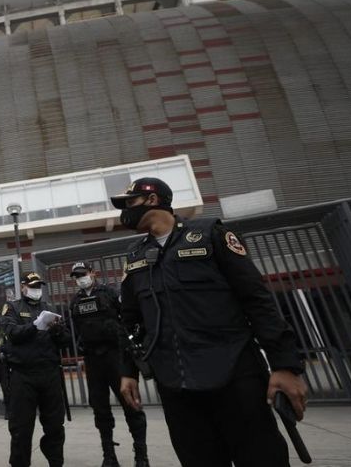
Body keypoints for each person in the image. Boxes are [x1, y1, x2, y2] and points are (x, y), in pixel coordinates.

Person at [111, 178, 308, 467]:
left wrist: (285, 365)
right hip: (176, 386)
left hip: (235, 377)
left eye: (130, 204)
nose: (125, 212)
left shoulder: (209, 234)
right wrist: (128, 371)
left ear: (151, 200)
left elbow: (257, 300)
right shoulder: (135, 256)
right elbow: (131, 320)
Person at [68, 262, 149, 467]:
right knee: (100, 409)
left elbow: (128, 319)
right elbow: (77, 329)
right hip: (93, 360)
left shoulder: (110, 293)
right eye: (76, 276)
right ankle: (109, 455)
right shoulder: (75, 301)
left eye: (83, 274)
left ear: (93, 273)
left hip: (116, 356)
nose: (80, 279)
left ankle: (141, 455)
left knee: (131, 404)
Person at [0, 271, 71, 467]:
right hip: (23, 376)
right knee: (21, 428)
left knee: (55, 426)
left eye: (38, 287)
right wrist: (35, 325)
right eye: (32, 286)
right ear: (23, 287)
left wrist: (58, 332)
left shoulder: (49, 309)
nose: (36, 290)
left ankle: (55, 461)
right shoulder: (12, 308)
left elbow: (66, 340)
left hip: (49, 374)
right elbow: (11, 333)